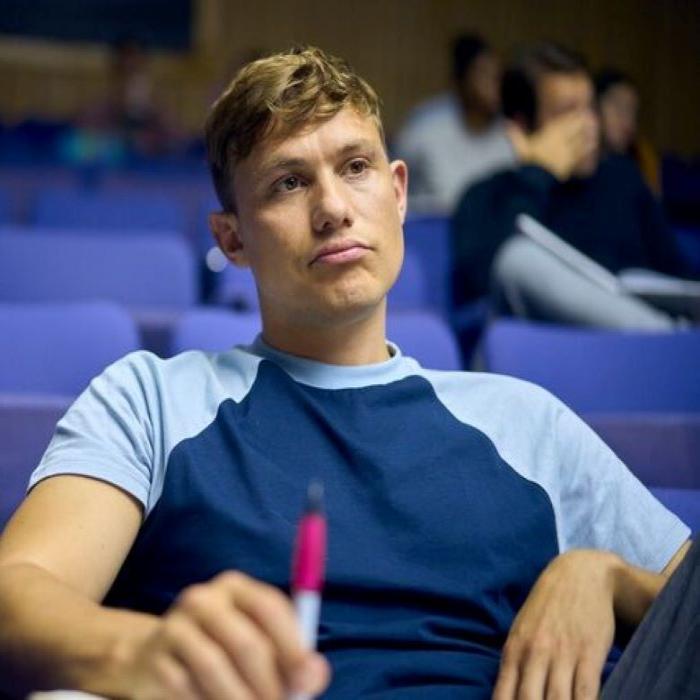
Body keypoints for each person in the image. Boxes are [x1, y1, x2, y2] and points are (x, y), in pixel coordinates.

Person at [0, 46, 695, 699]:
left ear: (397, 193)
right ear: (232, 238)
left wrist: (603, 576)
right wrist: (140, 654)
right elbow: (17, 591)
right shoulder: (152, 399)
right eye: (288, 182)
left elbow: (685, 613)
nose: (333, 208)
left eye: (356, 167)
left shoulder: (525, 420)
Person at [450, 43, 692, 328]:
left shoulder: (622, 179)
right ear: (521, 125)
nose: (589, 125)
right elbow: (489, 282)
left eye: (590, 108)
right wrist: (538, 172)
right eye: (568, 113)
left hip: (639, 352)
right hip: (551, 351)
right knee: (519, 260)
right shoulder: (485, 196)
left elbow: (676, 274)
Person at [393, 33, 515, 213]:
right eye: (484, 75)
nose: (495, 85)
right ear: (461, 80)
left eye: (498, 76)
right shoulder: (425, 127)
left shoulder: (512, 134)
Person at [595, 68, 661, 195]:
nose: (629, 123)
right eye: (620, 109)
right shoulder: (572, 168)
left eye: (634, 113)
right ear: (593, 108)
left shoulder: (641, 162)